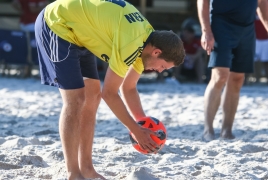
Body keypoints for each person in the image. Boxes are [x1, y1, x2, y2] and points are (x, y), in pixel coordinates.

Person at [34, 0, 185, 179]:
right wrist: (136, 131)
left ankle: (87, 169)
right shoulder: (132, 43)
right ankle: (73, 173)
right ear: (157, 52)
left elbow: (128, 88)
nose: (160, 71)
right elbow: (110, 93)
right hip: (57, 24)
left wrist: (143, 124)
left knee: (93, 97)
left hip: (81, 33)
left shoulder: (147, 40)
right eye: (163, 67)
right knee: (76, 100)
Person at [197, 0, 268, 141]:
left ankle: (227, 130)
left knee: (237, 79)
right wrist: (206, 31)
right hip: (220, 23)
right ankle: (208, 129)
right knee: (220, 76)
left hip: (247, 27)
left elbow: (262, 4)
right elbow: (203, 1)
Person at [254, 14, 268, 84]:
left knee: (266, 61)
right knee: (254, 61)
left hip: (266, 39)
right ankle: (256, 78)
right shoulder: (253, 9)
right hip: (256, 39)